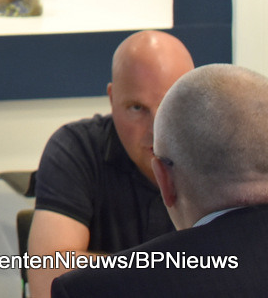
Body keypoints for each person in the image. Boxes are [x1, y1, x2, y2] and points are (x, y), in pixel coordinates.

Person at [52, 64, 268, 297]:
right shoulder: (78, 145)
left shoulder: (91, 290)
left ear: (165, 179)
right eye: (137, 107)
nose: (151, 130)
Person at [26, 30, 195, 298]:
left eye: (170, 107)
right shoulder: (76, 148)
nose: (156, 130)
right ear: (112, 99)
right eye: (137, 108)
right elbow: (48, 279)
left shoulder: (220, 152)